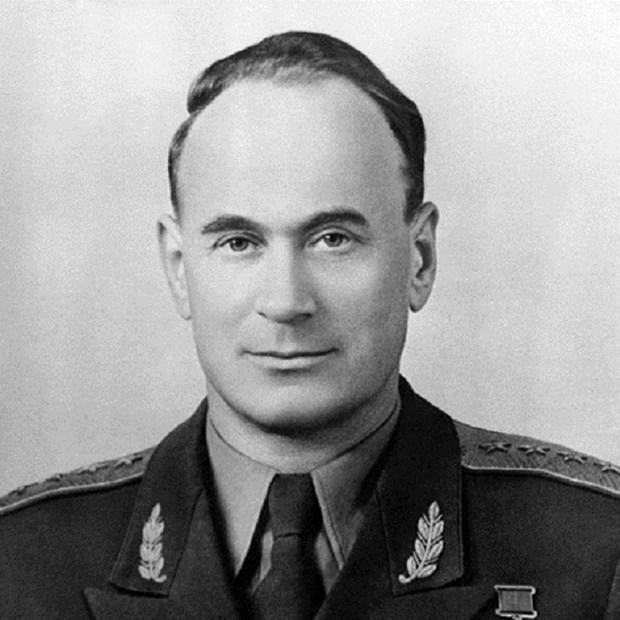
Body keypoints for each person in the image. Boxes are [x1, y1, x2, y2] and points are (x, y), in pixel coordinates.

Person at [1, 31, 618, 620]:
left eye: (332, 239)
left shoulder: (598, 548)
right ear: (179, 269)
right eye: (239, 242)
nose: (286, 301)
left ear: (420, 258)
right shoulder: (20, 560)